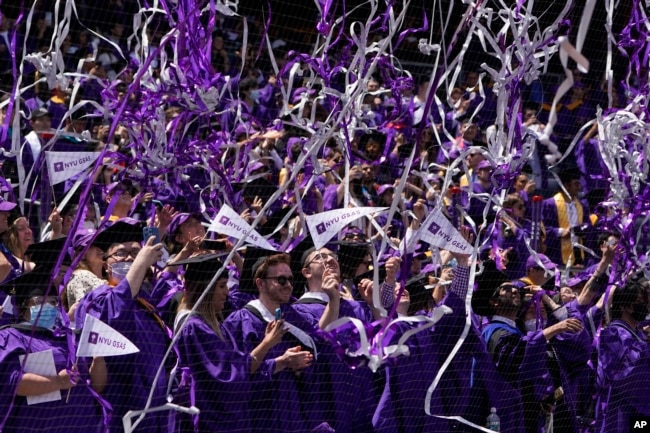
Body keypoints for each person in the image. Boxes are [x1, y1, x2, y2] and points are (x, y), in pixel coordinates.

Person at [173, 255, 303, 432]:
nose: (227, 292)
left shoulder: (215, 326)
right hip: (209, 420)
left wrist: (283, 362)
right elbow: (229, 375)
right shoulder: (195, 328)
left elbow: (243, 372)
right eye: (221, 286)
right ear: (205, 289)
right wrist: (266, 344)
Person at [74, 233, 170, 433]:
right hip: (118, 408)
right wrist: (140, 263)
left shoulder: (147, 304)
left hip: (154, 411)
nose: (129, 258)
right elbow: (114, 316)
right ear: (106, 264)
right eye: (120, 253)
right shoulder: (96, 299)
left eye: (135, 252)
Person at [222, 253, 321, 433]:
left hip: (293, 414)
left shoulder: (296, 318)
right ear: (260, 283)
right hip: (259, 416)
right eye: (281, 280)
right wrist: (280, 363)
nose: (289, 285)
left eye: (290, 279)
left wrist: (301, 366)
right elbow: (236, 373)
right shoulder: (239, 322)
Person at [0, 267, 104, 432]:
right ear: (22, 307)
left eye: (53, 302)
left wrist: (98, 359)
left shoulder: (69, 338)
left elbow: (96, 387)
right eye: (40, 302)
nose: (48, 306)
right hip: (37, 426)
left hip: (82, 425)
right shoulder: (11, 337)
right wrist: (59, 382)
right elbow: (12, 382)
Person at [595, 277, 650, 433]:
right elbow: (630, 372)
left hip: (642, 409)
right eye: (639, 301)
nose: (645, 306)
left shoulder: (639, 333)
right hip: (621, 410)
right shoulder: (614, 333)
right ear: (625, 305)